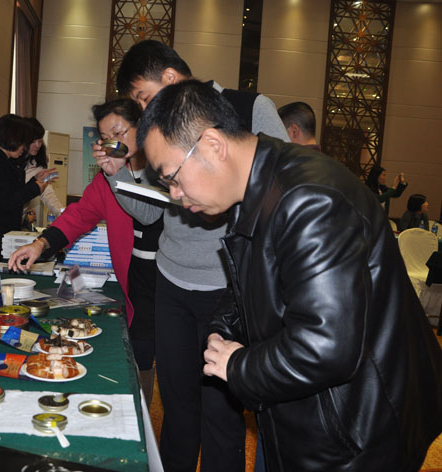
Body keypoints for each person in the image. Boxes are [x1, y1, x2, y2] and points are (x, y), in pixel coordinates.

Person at [137, 79, 442, 471]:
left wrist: (238, 366)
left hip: (356, 431)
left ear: (212, 145)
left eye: (173, 177)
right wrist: (221, 330)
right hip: (316, 414)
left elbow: (327, 346)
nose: (175, 195)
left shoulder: (310, 199)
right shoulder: (256, 188)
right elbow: (252, 285)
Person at [95, 39, 290, 472]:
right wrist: (118, 174)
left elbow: (281, 185)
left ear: (169, 77)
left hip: (227, 290)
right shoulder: (160, 132)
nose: (143, 109)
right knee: (177, 405)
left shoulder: (249, 108)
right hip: (172, 283)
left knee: (221, 412)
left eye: (143, 96)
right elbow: (151, 211)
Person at [8, 98, 162, 405]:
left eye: (119, 133)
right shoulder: (108, 178)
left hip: (173, 282)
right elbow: (79, 215)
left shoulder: (165, 167)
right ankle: (140, 411)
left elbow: (150, 214)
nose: (112, 144)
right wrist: (40, 243)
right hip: (137, 282)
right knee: (141, 353)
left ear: (143, 128)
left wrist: (117, 174)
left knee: (180, 372)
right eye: (105, 138)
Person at [0, 114, 56, 257]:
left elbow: (13, 191)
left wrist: (35, 181)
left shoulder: (6, 161)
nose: (25, 147)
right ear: (12, 139)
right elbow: (7, 201)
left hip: (4, 235)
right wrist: (35, 187)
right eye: (23, 142)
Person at [23, 117, 64, 220]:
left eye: (40, 141)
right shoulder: (7, 161)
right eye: (33, 141)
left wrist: (65, 215)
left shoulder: (38, 164)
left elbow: (48, 195)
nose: (37, 145)